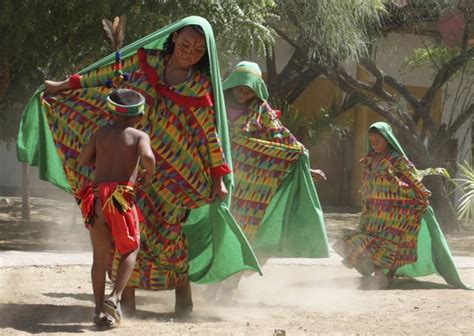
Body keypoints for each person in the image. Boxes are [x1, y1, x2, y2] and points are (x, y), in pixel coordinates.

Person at [17, 16, 261, 317]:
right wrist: (66, 85)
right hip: (131, 179)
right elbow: (105, 75)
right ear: (172, 40)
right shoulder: (146, 62)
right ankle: (124, 303)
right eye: (184, 44)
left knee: (169, 236)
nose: (189, 52)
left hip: (175, 176)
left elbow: (208, 135)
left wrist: (217, 177)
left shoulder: (200, 86)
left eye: (198, 50)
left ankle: (181, 303)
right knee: (127, 240)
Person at [205, 61, 330, 302]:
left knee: (245, 235)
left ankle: (229, 287)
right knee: (216, 234)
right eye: (241, 85)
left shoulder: (262, 110)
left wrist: (304, 168)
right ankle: (211, 283)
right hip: (215, 180)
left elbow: (284, 140)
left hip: (252, 189)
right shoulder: (214, 103)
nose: (244, 91)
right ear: (232, 82)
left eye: (250, 87)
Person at [333, 121, 470, 289]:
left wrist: (422, 195)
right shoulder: (370, 159)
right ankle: (382, 274)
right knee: (363, 242)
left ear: (387, 140)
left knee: (391, 244)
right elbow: (367, 183)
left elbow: (412, 178)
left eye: (378, 141)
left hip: (396, 213)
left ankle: (383, 275)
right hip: (374, 213)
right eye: (372, 140)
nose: (374, 144)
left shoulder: (396, 159)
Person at [76, 88, 155, 326]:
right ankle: (116, 297)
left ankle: (98, 310)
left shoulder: (100, 133)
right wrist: (148, 173)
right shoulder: (139, 136)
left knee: (99, 259)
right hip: (119, 196)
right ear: (139, 116)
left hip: (96, 197)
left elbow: (81, 160)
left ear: (111, 112)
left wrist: (100, 161)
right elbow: (149, 158)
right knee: (131, 248)